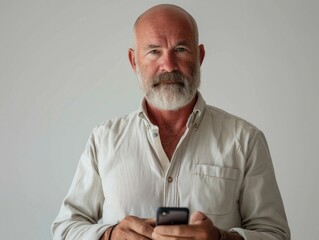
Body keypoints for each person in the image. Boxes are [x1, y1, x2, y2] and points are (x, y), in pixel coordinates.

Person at [52, 4, 290, 240]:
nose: (168, 65)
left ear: (200, 56)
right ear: (134, 61)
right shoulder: (103, 140)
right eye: (154, 51)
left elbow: (276, 235)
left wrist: (222, 239)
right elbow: (65, 229)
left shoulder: (246, 140)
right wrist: (109, 236)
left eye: (181, 49)